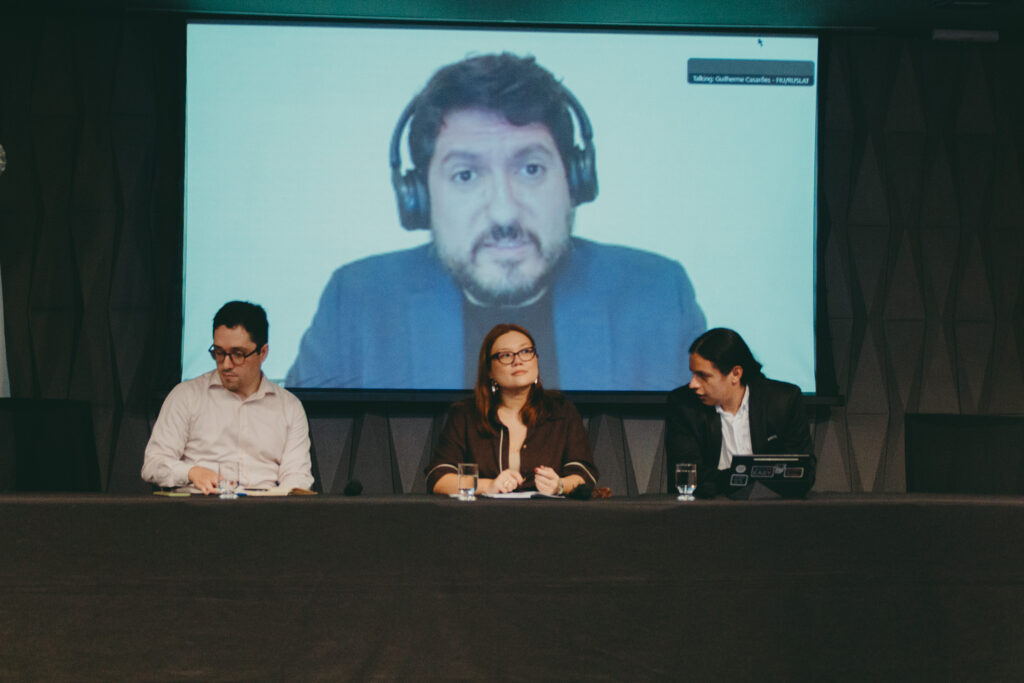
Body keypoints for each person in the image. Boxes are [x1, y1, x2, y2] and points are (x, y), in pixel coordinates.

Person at [286, 52, 705, 391]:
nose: (504, 213)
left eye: (531, 169)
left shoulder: (658, 297)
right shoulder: (355, 304)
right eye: (466, 175)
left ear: (575, 181)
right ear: (419, 198)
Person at [142, 301, 314, 493]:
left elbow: (297, 477)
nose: (226, 364)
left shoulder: (289, 407)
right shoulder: (186, 396)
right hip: (200, 504)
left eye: (238, 354)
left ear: (263, 352)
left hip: (265, 505)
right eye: (219, 352)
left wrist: (278, 498)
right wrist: (191, 472)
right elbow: (153, 464)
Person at [426, 323, 598, 495]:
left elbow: (584, 475)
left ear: (536, 359)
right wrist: (488, 486)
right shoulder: (465, 415)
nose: (518, 361)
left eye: (526, 352)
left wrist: (559, 485)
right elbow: (438, 478)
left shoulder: (561, 412)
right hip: (483, 512)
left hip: (548, 511)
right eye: (506, 355)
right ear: (489, 371)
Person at [665, 328, 813, 495]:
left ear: (735, 374)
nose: (693, 384)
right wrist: (751, 477)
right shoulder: (683, 404)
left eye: (703, 376)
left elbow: (803, 472)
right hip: (709, 505)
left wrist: (739, 478)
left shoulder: (784, 401)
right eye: (693, 374)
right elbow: (688, 475)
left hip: (770, 504)